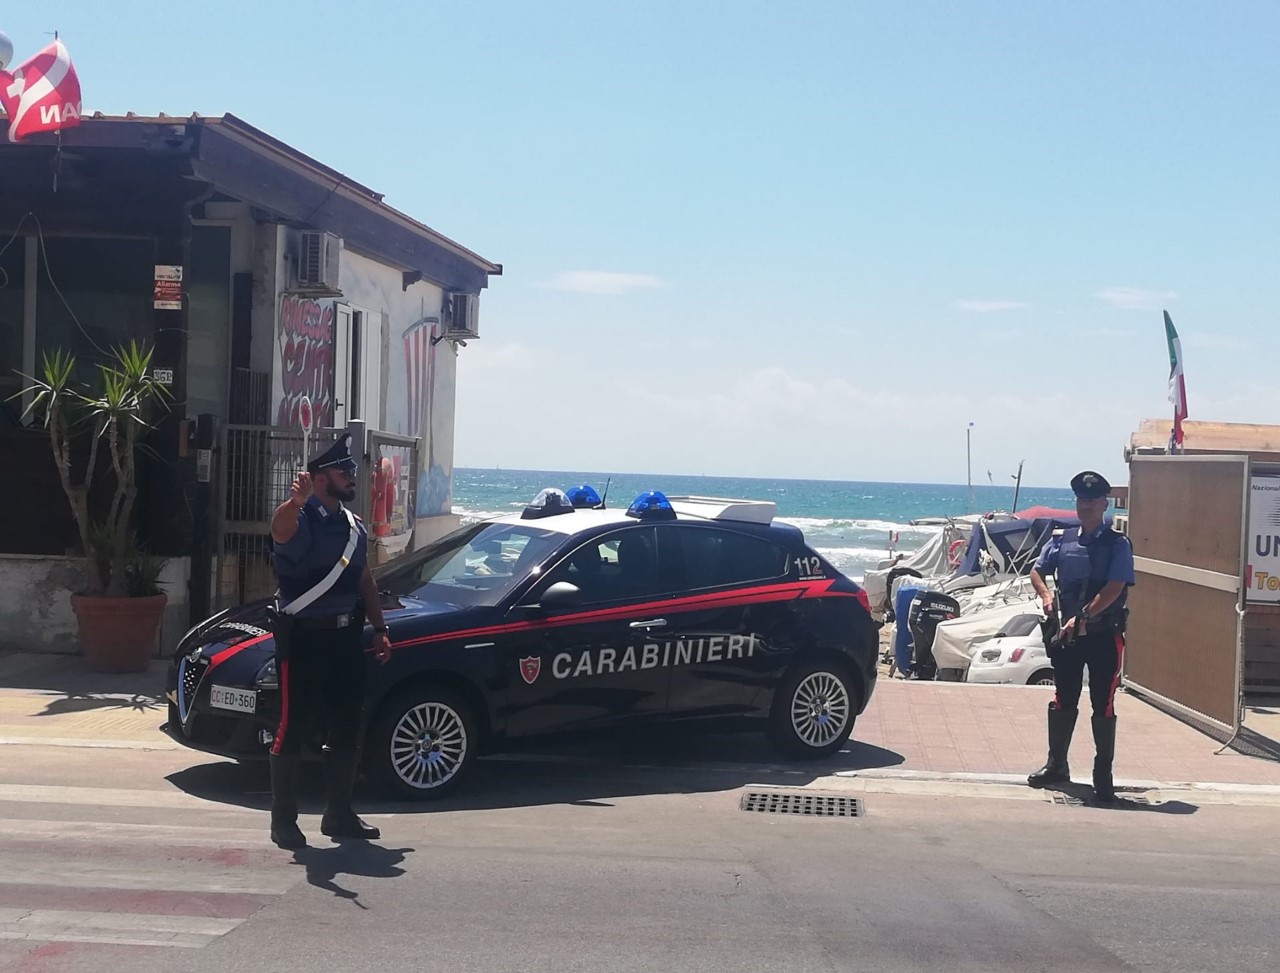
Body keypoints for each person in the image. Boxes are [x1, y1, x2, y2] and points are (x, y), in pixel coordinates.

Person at [266, 433, 393, 848]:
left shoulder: (353, 525)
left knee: (346, 725)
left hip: (345, 640)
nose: (353, 477)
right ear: (321, 479)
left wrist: (380, 628)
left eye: (353, 471)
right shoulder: (300, 518)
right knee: (294, 726)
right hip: (305, 640)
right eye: (345, 472)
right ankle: (283, 821)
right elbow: (279, 532)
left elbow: (363, 578)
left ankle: (339, 814)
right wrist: (296, 502)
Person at [1027, 470, 1135, 803]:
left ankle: (1103, 776)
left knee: (1103, 702)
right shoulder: (1062, 539)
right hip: (1066, 636)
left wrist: (1084, 617)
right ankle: (1057, 765)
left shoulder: (1117, 544)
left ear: (1104, 503)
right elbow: (1036, 570)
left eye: (1092, 500)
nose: (1085, 505)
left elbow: (1115, 587)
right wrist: (1046, 596)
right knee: (1064, 697)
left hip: (1102, 635)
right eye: (1081, 500)